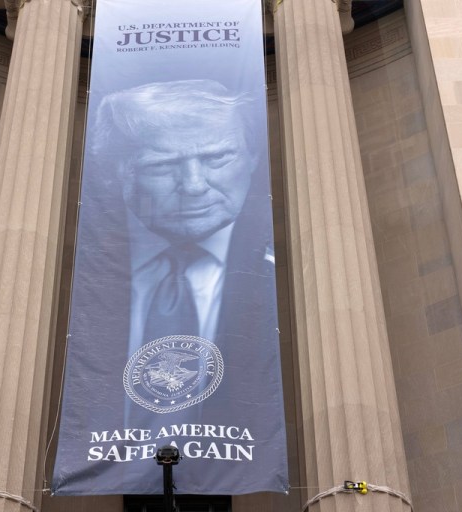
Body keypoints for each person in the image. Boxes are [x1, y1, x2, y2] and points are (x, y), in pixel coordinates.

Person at [55, 79, 285, 495]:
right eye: (163, 165)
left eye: (217, 158)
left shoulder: (275, 263)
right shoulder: (89, 267)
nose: (194, 185)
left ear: (252, 157)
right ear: (116, 174)